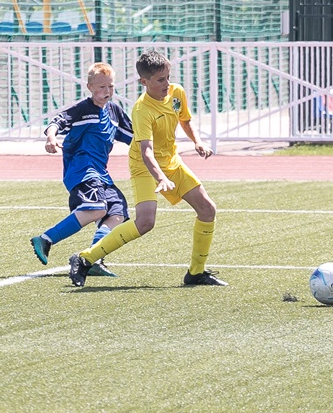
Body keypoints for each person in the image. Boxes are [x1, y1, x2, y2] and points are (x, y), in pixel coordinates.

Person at [68, 50, 227, 288]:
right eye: (160, 80)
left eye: (168, 77)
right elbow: (146, 152)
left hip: (171, 162)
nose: (167, 83)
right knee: (145, 222)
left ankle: (196, 273)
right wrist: (160, 178)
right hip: (144, 166)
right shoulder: (142, 110)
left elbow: (184, 119)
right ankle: (85, 259)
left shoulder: (176, 92)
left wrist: (198, 142)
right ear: (144, 81)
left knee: (207, 209)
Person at [30, 62, 133, 277]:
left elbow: (135, 136)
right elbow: (57, 122)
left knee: (118, 212)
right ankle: (45, 239)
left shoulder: (114, 112)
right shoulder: (83, 109)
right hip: (82, 170)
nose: (106, 91)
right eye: (101, 87)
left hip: (101, 173)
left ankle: (94, 258)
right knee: (97, 208)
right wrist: (51, 138)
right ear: (90, 87)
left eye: (110, 87)